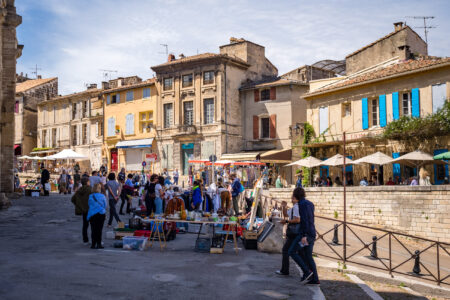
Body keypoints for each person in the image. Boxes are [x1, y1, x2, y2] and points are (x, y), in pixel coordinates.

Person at [276, 195, 301, 276]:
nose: (292, 200)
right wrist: (284, 207)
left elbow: (297, 219)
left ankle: (285, 270)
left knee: (286, 250)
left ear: (297, 199)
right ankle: (285, 270)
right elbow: (286, 214)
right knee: (293, 251)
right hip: (294, 232)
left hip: (294, 232)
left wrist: (286, 222)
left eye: (293, 198)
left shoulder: (297, 207)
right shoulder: (294, 207)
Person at [71, 176, 92, 244]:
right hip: (91, 209)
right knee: (93, 225)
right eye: (89, 181)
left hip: (84, 210)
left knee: (85, 225)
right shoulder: (90, 189)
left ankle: (85, 240)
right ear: (87, 182)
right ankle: (93, 240)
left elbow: (73, 199)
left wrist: (79, 205)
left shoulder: (79, 190)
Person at [87, 183, 107, 249]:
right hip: (101, 214)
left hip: (92, 214)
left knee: (93, 229)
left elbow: (89, 205)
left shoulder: (90, 196)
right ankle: (99, 244)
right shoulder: (102, 196)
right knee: (99, 229)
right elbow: (105, 205)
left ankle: (93, 244)